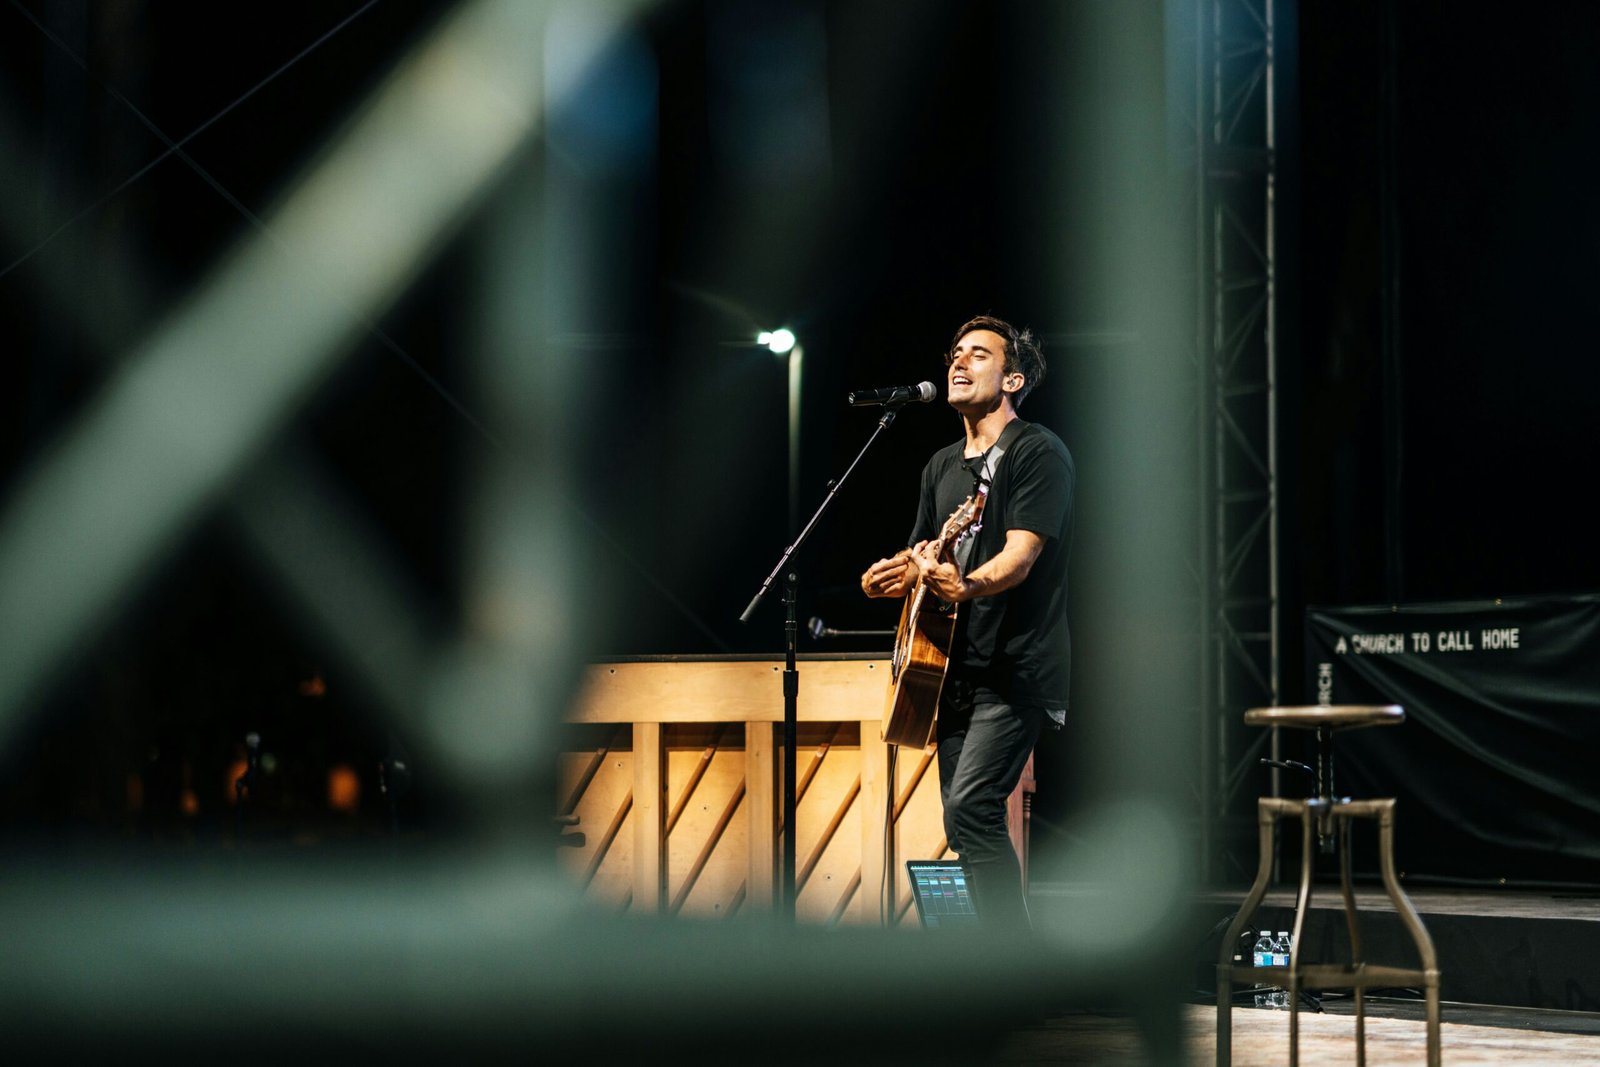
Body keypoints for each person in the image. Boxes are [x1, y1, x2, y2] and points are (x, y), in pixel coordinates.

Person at [860, 315, 1074, 932]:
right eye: (955, 352)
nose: (958, 362)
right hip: (948, 667)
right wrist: (894, 573)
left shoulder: (1037, 452)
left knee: (974, 807)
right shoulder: (941, 466)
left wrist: (969, 584)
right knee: (961, 820)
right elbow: (925, 551)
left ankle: (1014, 967)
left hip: (1015, 667)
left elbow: (1021, 553)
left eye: (978, 354)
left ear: (1013, 377)